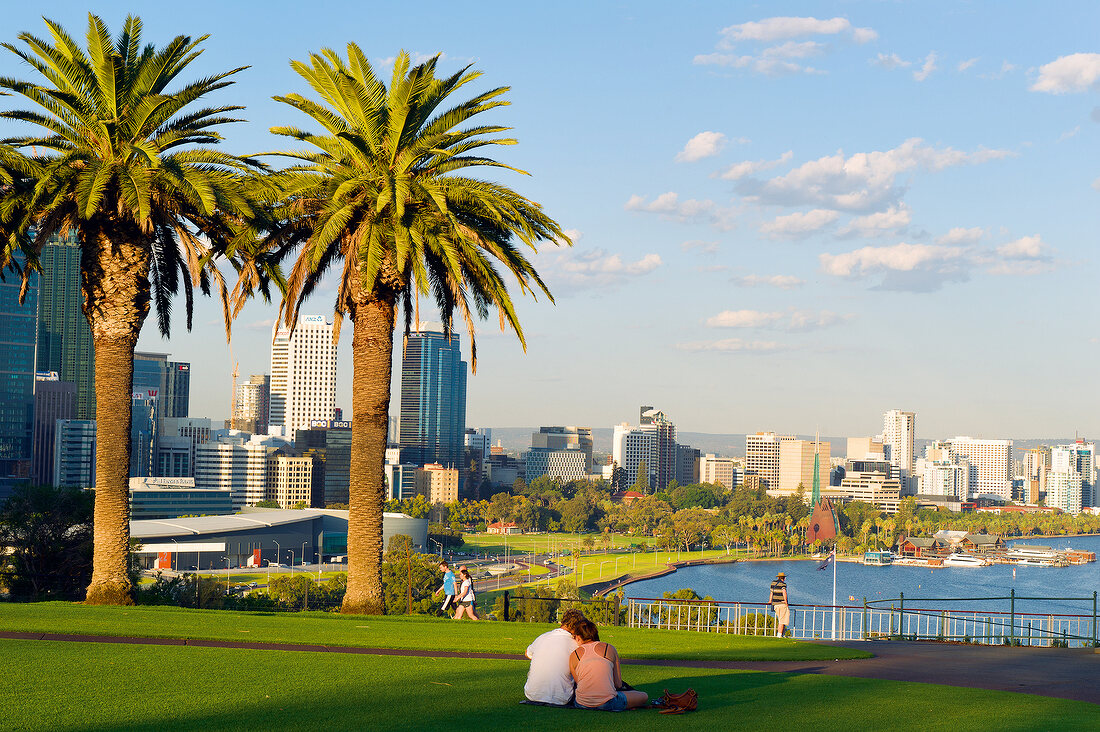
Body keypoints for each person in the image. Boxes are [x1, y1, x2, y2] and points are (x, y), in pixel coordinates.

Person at [568, 619, 648, 711]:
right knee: (644, 696)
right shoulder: (609, 648)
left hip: (581, 704)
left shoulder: (573, 656)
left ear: (578, 637)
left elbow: (580, 683)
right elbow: (618, 684)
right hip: (609, 703)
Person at [524, 608, 587, 705]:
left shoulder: (542, 637)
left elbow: (527, 653)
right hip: (562, 698)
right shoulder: (575, 645)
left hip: (532, 695)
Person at [769, 571, 789, 638]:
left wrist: (770, 601)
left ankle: (781, 634)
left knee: (780, 619)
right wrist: (786, 602)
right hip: (781, 604)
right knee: (782, 620)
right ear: (784, 578)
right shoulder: (783, 584)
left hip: (775, 604)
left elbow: (771, 592)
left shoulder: (773, 583)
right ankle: (779, 635)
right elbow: (784, 593)